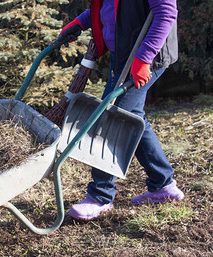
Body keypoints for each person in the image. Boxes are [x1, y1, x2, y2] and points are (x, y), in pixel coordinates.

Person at [58, 0, 184, 220]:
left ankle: (100, 196)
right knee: (132, 116)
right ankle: (162, 185)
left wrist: (144, 58)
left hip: (144, 55)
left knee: (110, 119)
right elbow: (110, 8)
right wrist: (81, 21)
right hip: (125, 53)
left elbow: (166, 13)